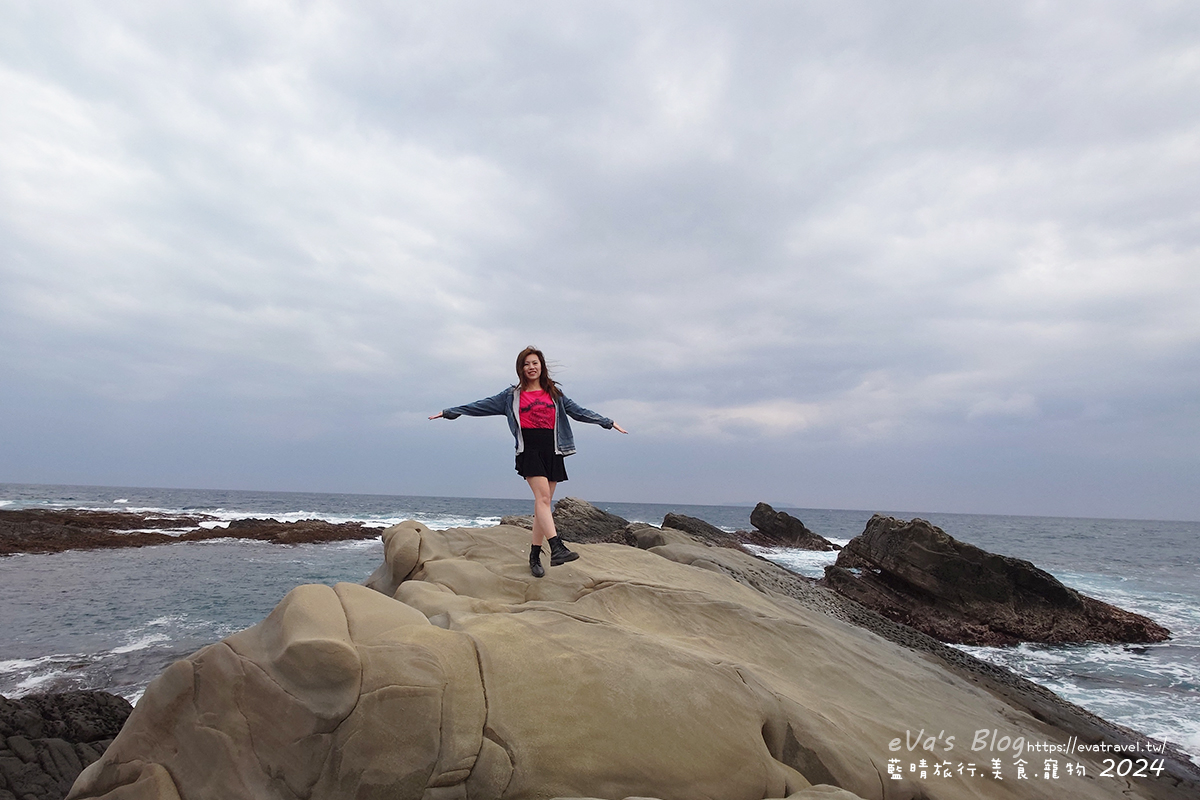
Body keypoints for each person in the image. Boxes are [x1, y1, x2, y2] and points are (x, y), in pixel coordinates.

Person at [430, 346, 628, 577]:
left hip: (553, 450)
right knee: (543, 499)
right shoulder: (510, 396)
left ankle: (534, 555)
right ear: (520, 369)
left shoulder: (554, 394)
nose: (531, 367)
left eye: (534, 363)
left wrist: (607, 422)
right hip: (529, 450)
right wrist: (449, 412)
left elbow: (579, 412)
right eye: (526, 364)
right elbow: (479, 405)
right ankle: (557, 547)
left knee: (542, 504)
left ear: (541, 365)